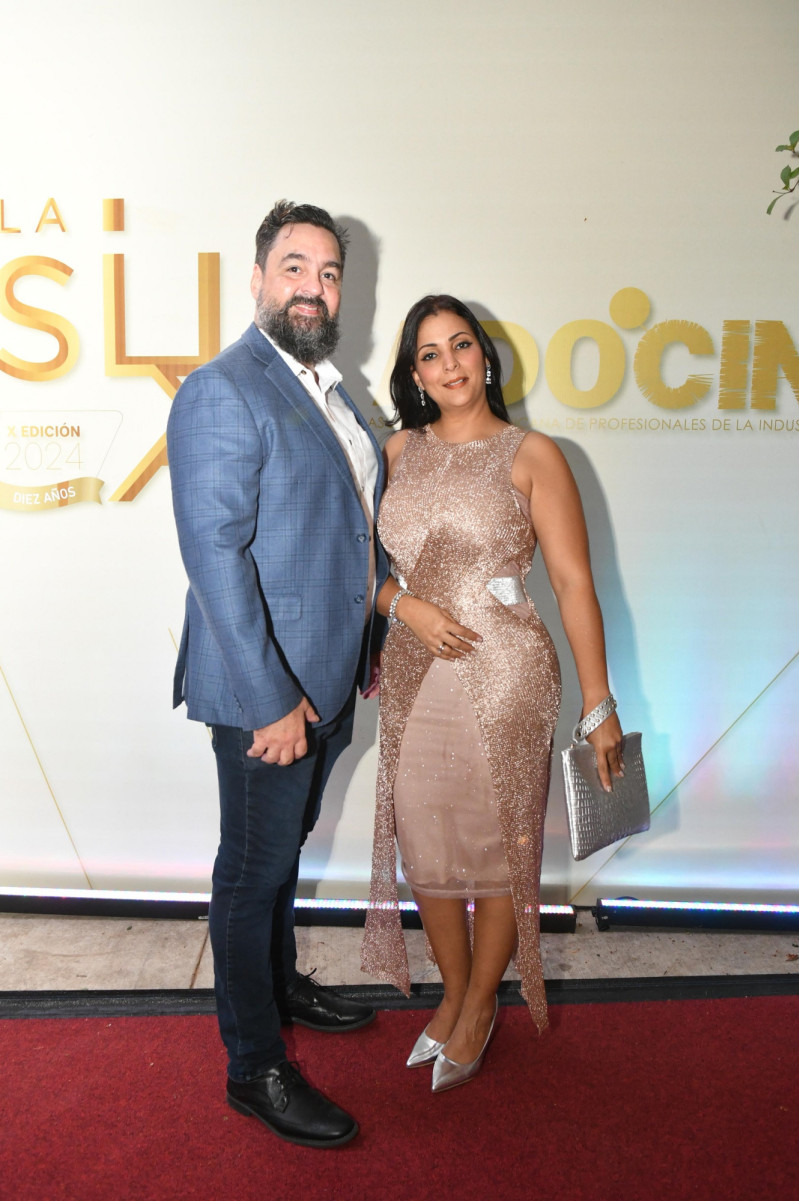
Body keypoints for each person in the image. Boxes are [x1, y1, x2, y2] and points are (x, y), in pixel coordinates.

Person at [361, 294, 623, 1092]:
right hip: (414, 669)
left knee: (502, 838)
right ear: (415, 373)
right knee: (425, 836)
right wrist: (403, 604)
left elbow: (576, 584)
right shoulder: (395, 453)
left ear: (486, 355)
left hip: (507, 670)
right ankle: (452, 990)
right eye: (432, 353)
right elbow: (356, 567)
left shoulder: (532, 453)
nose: (451, 364)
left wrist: (599, 704)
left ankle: (477, 1007)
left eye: (462, 345)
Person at [167, 200, 387, 1147]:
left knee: (283, 852)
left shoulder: (327, 389)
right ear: (258, 279)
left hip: (327, 683)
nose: (313, 285)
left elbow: (342, 526)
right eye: (294, 266)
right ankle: (254, 1064)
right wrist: (272, 702)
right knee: (251, 873)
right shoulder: (226, 388)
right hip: (268, 695)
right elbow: (214, 553)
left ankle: (280, 979)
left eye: (329, 272)